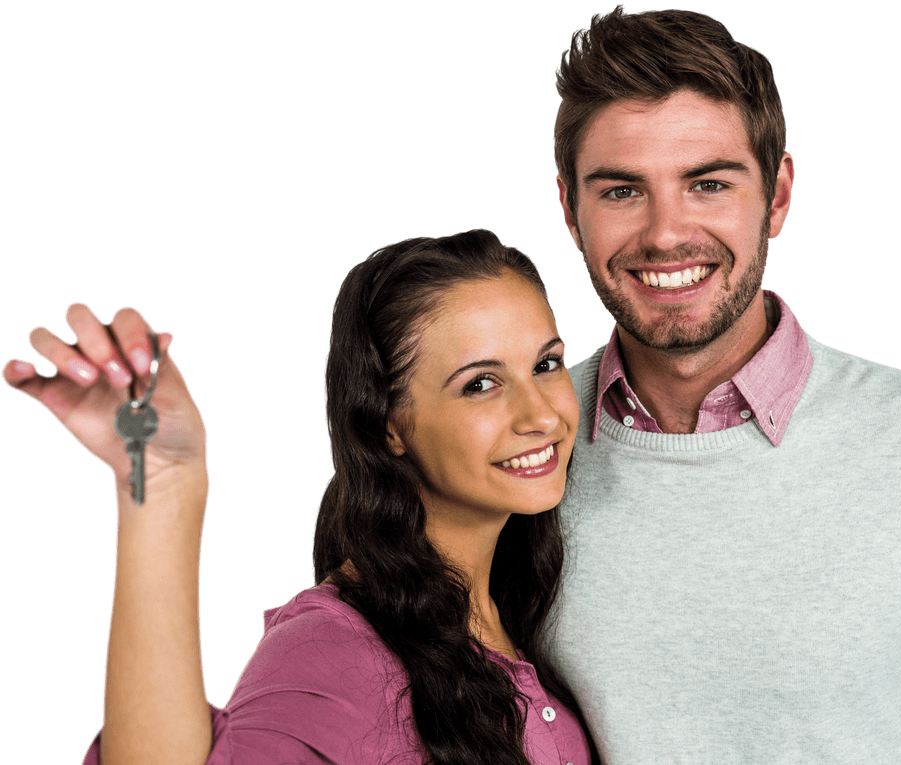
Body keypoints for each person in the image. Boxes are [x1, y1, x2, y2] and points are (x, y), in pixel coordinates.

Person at [543, 6, 901, 764]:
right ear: (570, 209)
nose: (665, 233)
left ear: (779, 195)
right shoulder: (521, 446)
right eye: (622, 191)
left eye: (707, 183)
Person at [2, 229, 595, 765]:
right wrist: (162, 487)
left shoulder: (532, 610)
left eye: (547, 364)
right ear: (389, 424)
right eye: (481, 384)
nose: (541, 414)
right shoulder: (334, 652)